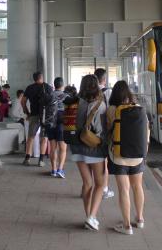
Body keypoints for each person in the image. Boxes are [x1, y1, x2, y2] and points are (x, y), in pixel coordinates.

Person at [106, 80, 149, 235]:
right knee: (138, 187)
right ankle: (140, 219)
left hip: (118, 155)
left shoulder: (112, 109)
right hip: (137, 155)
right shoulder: (139, 108)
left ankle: (126, 226)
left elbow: (108, 130)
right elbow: (146, 132)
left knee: (124, 189)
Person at [70, 74, 107, 231]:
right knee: (100, 184)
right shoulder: (100, 105)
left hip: (77, 147)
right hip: (94, 148)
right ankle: (91, 217)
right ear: (97, 85)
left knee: (87, 183)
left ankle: (89, 216)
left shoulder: (75, 103)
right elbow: (100, 131)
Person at [22, 72, 55, 167]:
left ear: (34, 78)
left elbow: (23, 101)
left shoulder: (29, 88)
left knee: (31, 137)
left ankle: (27, 158)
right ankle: (41, 160)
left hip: (34, 114)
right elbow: (53, 102)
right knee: (44, 138)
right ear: (42, 77)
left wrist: (27, 112)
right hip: (45, 116)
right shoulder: (48, 87)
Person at [94, 68, 114, 200]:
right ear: (104, 79)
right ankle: (104, 189)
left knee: (92, 160)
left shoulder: (88, 92)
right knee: (104, 161)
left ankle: (93, 187)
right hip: (105, 131)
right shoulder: (108, 92)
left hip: (90, 132)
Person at [48, 77, 68, 179]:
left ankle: (53, 169)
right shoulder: (66, 96)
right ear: (62, 85)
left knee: (53, 148)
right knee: (63, 149)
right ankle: (60, 169)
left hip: (50, 123)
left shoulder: (49, 95)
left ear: (54, 85)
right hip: (62, 124)